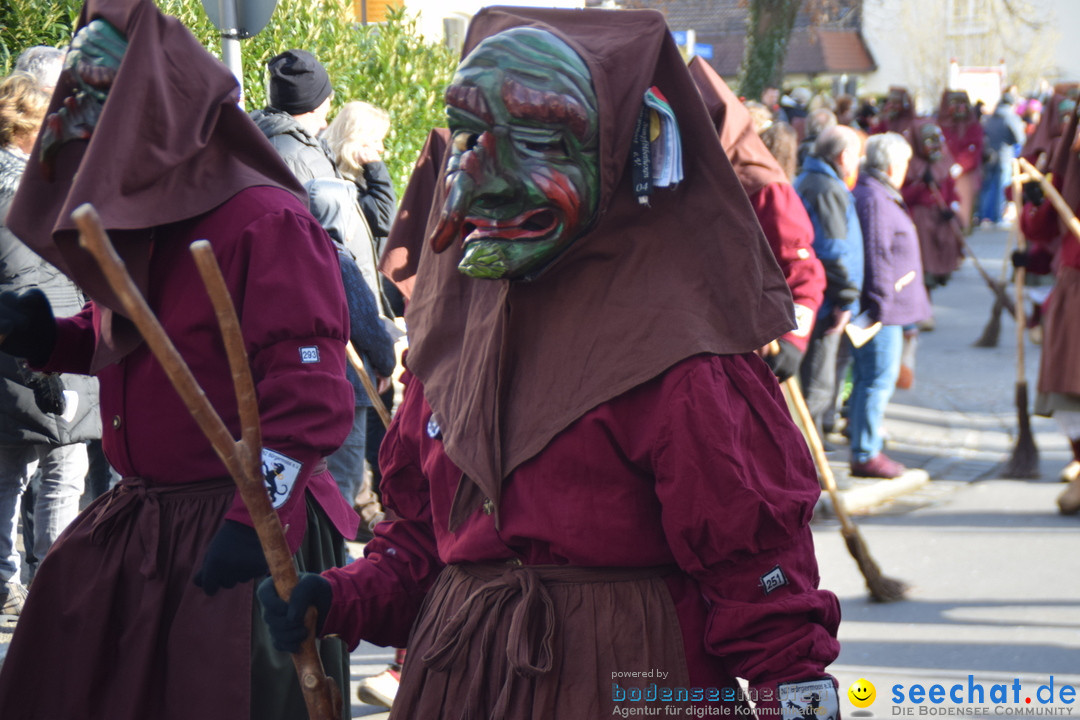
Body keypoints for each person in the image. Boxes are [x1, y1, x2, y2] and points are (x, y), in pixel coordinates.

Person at [258, 7, 841, 719]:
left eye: (534, 140)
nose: (479, 178)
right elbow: (423, 545)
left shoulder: (682, 362)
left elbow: (762, 583)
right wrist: (340, 597)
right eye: (471, 138)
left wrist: (803, 703)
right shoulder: (454, 346)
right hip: (460, 684)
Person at [0, 2, 359, 718]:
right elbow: (139, 338)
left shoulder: (266, 221)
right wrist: (53, 340)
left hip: (247, 526)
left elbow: (312, 398)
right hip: (153, 527)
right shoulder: (150, 215)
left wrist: (253, 523)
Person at [0, 70, 102, 611]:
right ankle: (53, 584)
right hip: (61, 333)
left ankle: (3, 580)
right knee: (65, 470)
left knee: (8, 470)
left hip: (10, 333)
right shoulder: (49, 187)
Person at [688, 56, 825, 382]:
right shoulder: (691, 174)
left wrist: (794, 337)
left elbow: (803, 272)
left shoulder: (762, 183)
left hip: (747, 345)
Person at [304, 177, 396, 517]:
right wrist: (385, 365)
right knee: (340, 482)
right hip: (344, 386)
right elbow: (367, 327)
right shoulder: (339, 262)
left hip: (302, 383)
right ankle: (331, 564)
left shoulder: (292, 259)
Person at [849, 132, 931, 479]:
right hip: (882, 309)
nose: (906, 170)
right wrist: (881, 304)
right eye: (904, 163)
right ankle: (866, 451)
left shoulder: (878, 193)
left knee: (873, 377)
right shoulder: (874, 198)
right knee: (877, 378)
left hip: (889, 306)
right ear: (891, 164)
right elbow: (877, 253)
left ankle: (865, 443)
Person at [794, 124, 865, 439]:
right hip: (825, 302)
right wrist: (846, 298)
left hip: (821, 298)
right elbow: (832, 250)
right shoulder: (824, 187)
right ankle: (805, 467)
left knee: (817, 384)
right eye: (857, 156)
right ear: (844, 155)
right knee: (817, 387)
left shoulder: (816, 180)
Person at [901, 121, 963, 298]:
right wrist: (920, 184)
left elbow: (951, 188)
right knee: (923, 263)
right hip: (920, 219)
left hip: (941, 217)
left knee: (940, 258)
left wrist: (952, 206)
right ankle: (924, 303)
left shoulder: (942, 161)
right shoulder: (909, 163)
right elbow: (903, 194)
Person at [976, 92, 1026, 227]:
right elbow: (1020, 138)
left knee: (987, 187)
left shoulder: (991, 117)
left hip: (989, 155)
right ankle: (998, 217)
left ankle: (982, 216)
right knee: (1001, 187)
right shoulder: (1010, 117)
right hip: (1004, 155)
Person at [938, 90, 983, 228]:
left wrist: (961, 165)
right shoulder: (940, 125)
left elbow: (974, 148)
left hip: (964, 175)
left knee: (962, 211)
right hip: (942, 173)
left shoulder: (973, 126)